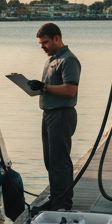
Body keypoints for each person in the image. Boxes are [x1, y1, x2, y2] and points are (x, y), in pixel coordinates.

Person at [28, 23, 81, 211]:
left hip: (61, 114)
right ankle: (56, 198)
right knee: (50, 160)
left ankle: (63, 203)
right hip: (49, 114)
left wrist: (43, 87)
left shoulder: (68, 60)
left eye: (45, 43)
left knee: (60, 160)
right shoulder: (52, 58)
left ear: (57, 38)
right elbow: (52, 87)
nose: (42, 47)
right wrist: (38, 87)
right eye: (41, 43)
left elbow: (70, 90)